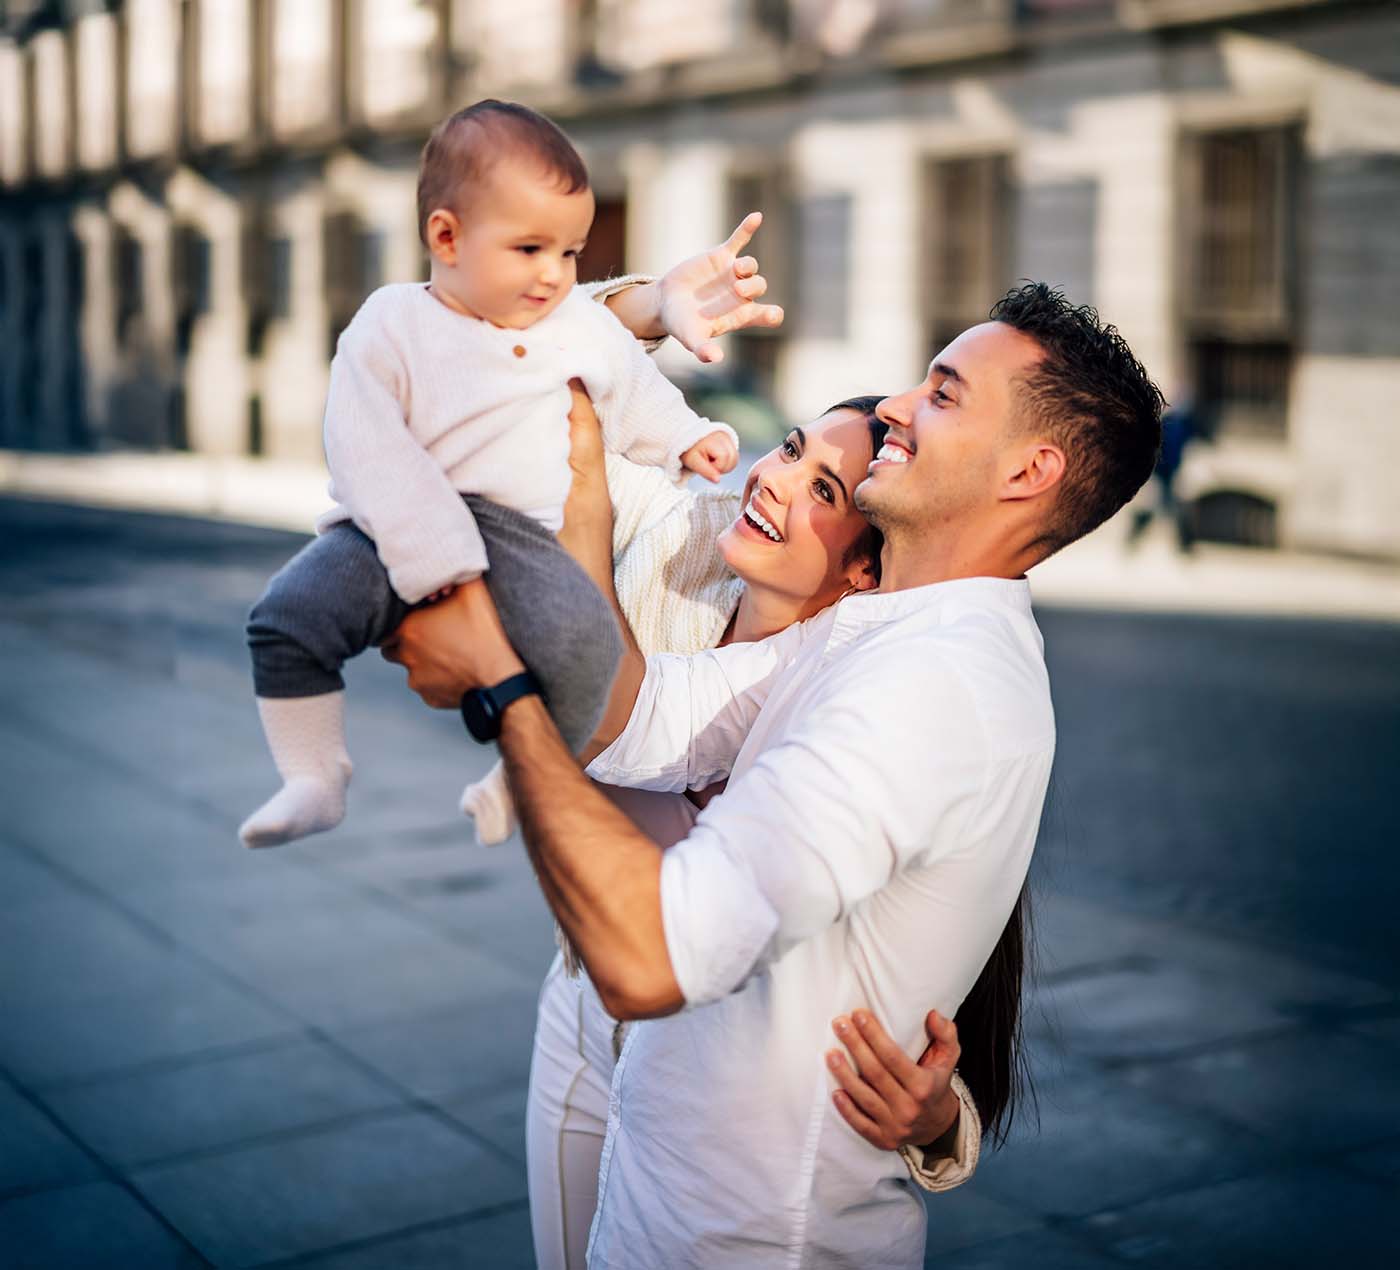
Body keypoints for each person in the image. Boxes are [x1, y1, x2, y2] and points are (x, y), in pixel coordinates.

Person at [385, 280, 1164, 1266]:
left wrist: (498, 682)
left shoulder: (930, 687)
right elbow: (635, 718)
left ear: (1028, 470)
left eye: (943, 392)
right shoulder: (871, 634)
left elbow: (650, 955)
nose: (893, 405)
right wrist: (586, 450)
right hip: (665, 1199)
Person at [514, 392, 984, 1269]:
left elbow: (908, 974)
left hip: (720, 1116)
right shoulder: (680, 546)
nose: (770, 481)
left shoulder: (864, 707)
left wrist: (941, 1119)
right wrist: (652, 307)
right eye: (790, 449)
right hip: (584, 1022)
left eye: (824, 490)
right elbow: (540, 383)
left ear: (865, 571)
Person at [238, 99, 740, 850]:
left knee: (588, 654)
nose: (553, 275)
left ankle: (518, 774)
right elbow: (363, 442)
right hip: (391, 525)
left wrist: (688, 439)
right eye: (530, 249)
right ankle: (313, 775)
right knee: (286, 618)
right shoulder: (392, 321)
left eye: (569, 254)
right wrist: (432, 560)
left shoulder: (578, 323)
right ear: (447, 236)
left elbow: (631, 392)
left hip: (519, 534)